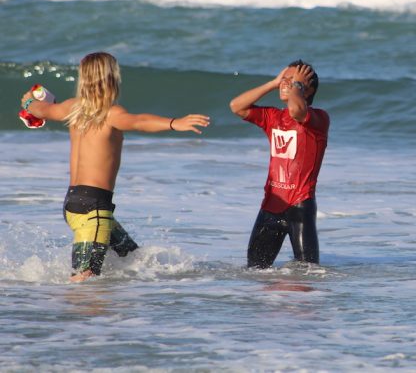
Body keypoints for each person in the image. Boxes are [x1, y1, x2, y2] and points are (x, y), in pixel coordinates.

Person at [20, 52, 210, 282]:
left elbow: (38, 109)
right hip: (94, 209)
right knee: (84, 279)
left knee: (132, 259)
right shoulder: (110, 114)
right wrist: (174, 123)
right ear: (112, 78)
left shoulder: (71, 109)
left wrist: (29, 100)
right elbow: (139, 121)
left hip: (73, 203)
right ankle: (73, 316)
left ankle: (109, 312)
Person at [229, 60, 329, 269]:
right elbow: (236, 106)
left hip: (299, 207)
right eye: (284, 79)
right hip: (270, 207)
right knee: (255, 272)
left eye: (292, 81)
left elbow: (297, 111)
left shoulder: (318, 118)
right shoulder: (273, 117)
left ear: (307, 89)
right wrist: (273, 83)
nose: (286, 84)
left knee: (308, 274)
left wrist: (297, 88)